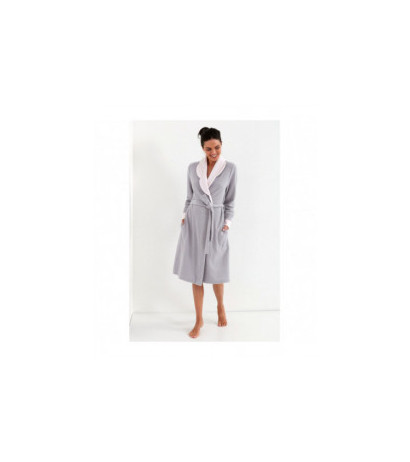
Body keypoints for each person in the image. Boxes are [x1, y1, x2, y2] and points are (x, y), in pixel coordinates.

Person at [173, 127, 238, 338]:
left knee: (216, 269)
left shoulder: (230, 169)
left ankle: (220, 305)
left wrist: (227, 222)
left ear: (221, 145)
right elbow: (189, 196)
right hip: (194, 222)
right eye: (209, 149)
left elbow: (230, 200)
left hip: (216, 223)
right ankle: (199, 319)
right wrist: (184, 217)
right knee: (196, 273)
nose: (213, 152)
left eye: (217, 147)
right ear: (202, 148)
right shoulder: (193, 168)